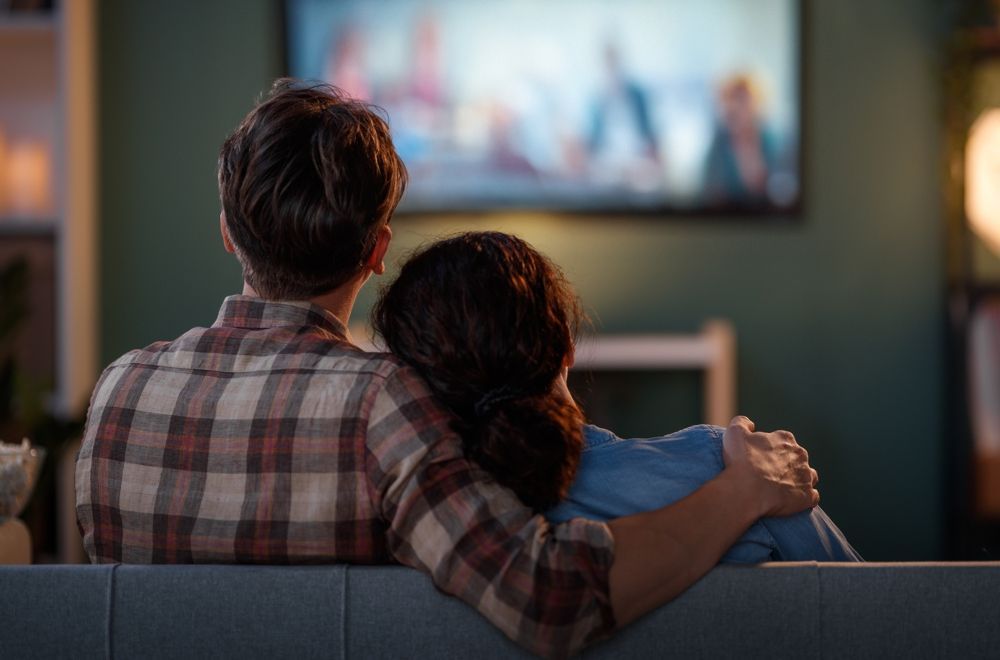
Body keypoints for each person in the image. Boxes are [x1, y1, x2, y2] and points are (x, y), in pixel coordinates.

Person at [76, 79, 819, 658]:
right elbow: (547, 600)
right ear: (377, 251)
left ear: (228, 236)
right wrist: (741, 493)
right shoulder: (382, 405)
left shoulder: (118, 395)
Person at [373, 231, 860, 563]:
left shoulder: (396, 521)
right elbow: (871, 611)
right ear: (565, 344)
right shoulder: (737, 469)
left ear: (413, 382)